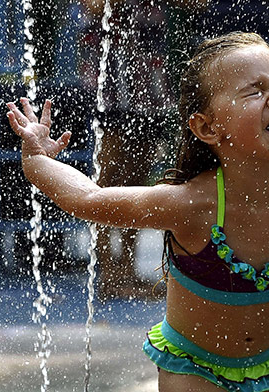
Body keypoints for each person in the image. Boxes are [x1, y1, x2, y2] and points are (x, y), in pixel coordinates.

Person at [7, 32, 269, 392]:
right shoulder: (191, 205)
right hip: (194, 370)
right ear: (207, 128)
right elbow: (90, 200)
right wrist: (38, 161)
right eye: (255, 91)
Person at [77, 0, 209, 300]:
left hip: (147, 74)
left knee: (138, 178)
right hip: (109, 73)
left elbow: (196, 6)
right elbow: (95, 7)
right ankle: (107, 272)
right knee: (107, 178)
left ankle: (128, 268)